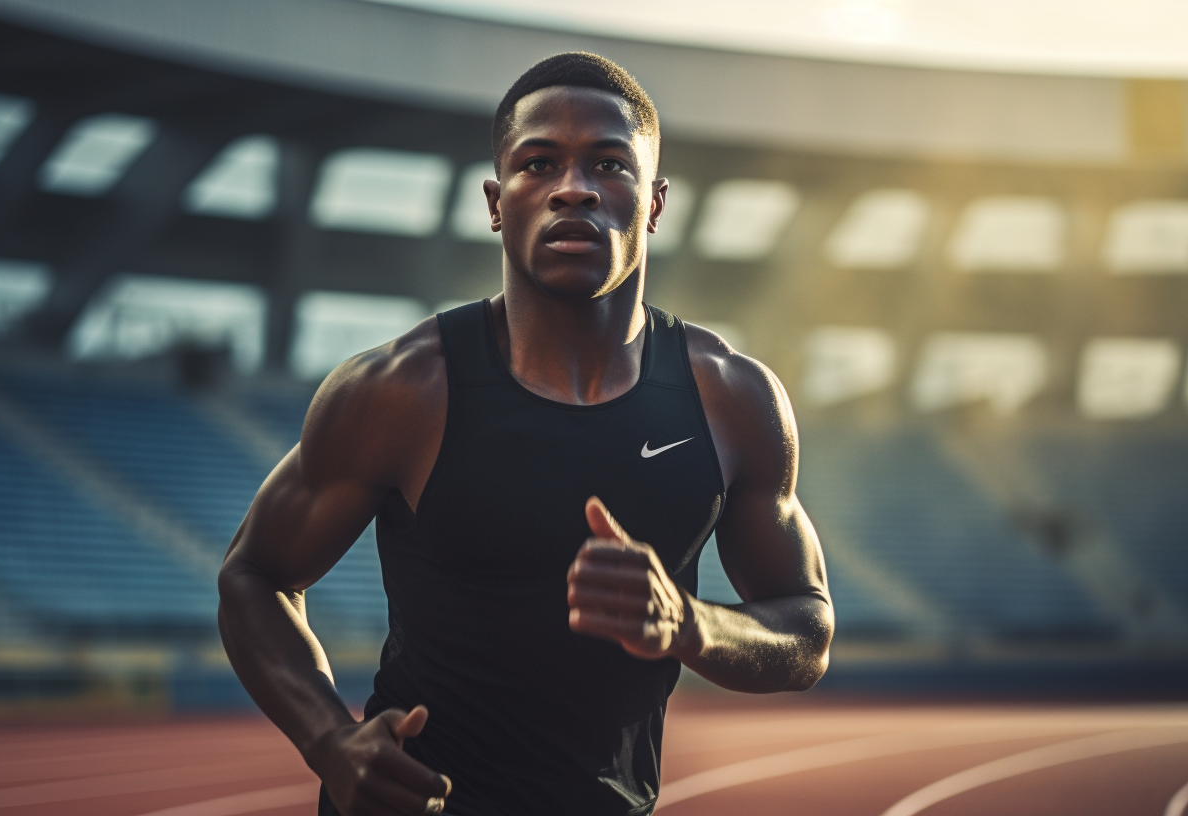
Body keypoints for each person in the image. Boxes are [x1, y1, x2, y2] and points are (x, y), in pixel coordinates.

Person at [218, 52, 834, 816]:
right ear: (496, 201)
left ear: (654, 202)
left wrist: (692, 626)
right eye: (538, 163)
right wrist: (328, 742)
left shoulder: (732, 399)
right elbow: (255, 575)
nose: (573, 187)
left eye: (609, 164)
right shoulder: (402, 389)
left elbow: (806, 628)